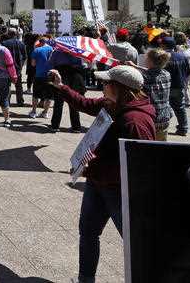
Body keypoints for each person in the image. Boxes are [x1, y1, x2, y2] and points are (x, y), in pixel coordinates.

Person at [48, 65, 155, 283]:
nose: (102, 86)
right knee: (88, 233)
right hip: (97, 184)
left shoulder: (135, 121)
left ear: (120, 88)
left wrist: (98, 164)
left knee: (135, 242)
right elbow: (85, 103)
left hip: (119, 192)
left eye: (106, 83)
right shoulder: (112, 104)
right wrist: (62, 87)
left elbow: (141, 165)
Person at [136, 48, 172, 141]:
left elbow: (148, 73)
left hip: (151, 118)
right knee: (160, 147)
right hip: (164, 117)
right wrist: (135, 66)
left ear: (150, 61)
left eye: (146, 58)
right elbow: (154, 71)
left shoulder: (144, 77)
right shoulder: (167, 74)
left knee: (148, 148)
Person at [48, 48, 84, 132]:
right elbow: (81, 65)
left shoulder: (56, 52)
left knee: (58, 103)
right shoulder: (77, 52)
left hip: (61, 76)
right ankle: (76, 127)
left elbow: (50, 64)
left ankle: (55, 126)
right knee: (74, 101)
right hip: (74, 77)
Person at [163, 36, 190, 136]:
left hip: (169, 86)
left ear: (164, 45)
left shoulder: (165, 58)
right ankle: (183, 128)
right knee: (180, 107)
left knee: (165, 106)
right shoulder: (182, 56)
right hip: (180, 85)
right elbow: (188, 72)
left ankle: (161, 125)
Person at [29, 37, 54, 119]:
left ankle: (33, 112)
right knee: (49, 96)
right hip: (50, 75)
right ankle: (45, 112)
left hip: (39, 75)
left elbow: (33, 64)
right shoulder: (53, 50)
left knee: (35, 94)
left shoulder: (37, 50)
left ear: (40, 42)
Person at [2, 29, 27, 107]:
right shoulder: (21, 43)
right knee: (18, 85)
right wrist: (21, 65)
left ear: (9, 34)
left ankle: (7, 102)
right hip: (17, 68)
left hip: (7, 68)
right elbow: (25, 56)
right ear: (16, 34)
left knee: (7, 85)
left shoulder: (4, 43)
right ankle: (20, 101)